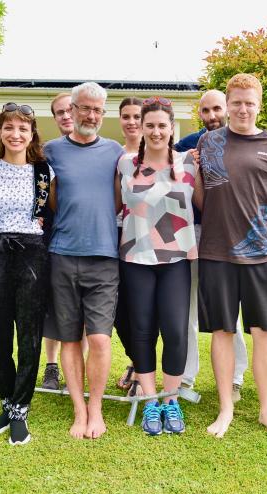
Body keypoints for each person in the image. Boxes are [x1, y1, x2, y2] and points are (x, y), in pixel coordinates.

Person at [194, 73, 267, 444]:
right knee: (222, 332)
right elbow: (203, 198)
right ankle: (226, 408)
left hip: (264, 256)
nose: (242, 108)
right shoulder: (209, 142)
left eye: (249, 102)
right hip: (217, 254)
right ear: (228, 103)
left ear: (259, 105)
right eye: (235, 102)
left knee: (263, 334)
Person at [43, 82, 123, 439]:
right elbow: (47, 197)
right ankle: (78, 409)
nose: (91, 115)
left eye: (98, 110)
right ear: (70, 111)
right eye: (85, 108)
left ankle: (96, 409)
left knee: (101, 340)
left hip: (105, 258)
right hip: (62, 255)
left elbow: (123, 197)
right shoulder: (51, 151)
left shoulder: (115, 152)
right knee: (70, 339)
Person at [115, 97, 196, 435]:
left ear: (171, 127)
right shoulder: (125, 164)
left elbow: (202, 205)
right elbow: (117, 207)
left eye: (162, 125)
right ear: (142, 128)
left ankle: (170, 399)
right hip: (136, 257)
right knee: (143, 330)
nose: (156, 131)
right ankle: (150, 402)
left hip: (176, 257)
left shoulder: (188, 164)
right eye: (150, 125)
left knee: (176, 332)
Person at [0, 103, 52, 445]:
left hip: (31, 251)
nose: (15, 134)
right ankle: (7, 401)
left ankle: (21, 407)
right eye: (9, 128)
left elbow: (55, 213)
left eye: (23, 128)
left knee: (30, 331)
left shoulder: (44, 171)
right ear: (0, 132)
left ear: (32, 133)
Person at [175, 89, 248, 401]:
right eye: (205, 110)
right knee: (187, 309)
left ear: (227, 109)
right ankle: (186, 377)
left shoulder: (243, 142)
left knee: (230, 311)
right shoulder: (185, 145)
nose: (212, 116)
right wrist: (184, 165)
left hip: (230, 236)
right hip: (192, 232)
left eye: (217, 108)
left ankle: (235, 377)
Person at [40, 92, 73, 391]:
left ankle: (77, 365)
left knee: (81, 311)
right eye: (59, 112)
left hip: (84, 238)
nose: (65, 116)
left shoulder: (102, 149)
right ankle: (51, 367)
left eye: (69, 110)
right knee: (53, 304)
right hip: (53, 235)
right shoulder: (47, 151)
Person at [113, 97, 145, 396]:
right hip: (118, 237)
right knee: (118, 308)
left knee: (142, 307)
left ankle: (142, 371)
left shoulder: (160, 153)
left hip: (149, 241)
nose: (132, 121)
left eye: (137, 116)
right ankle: (136, 361)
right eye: (127, 116)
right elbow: (114, 201)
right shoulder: (115, 155)